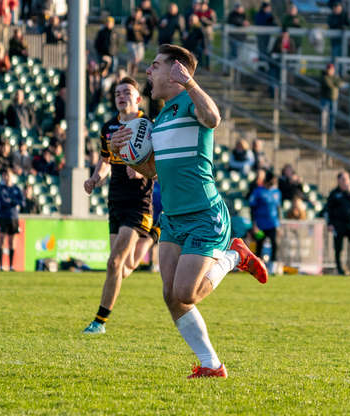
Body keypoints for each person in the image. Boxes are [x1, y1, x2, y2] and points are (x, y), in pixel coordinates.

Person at [110, 44, 268, 378]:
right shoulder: (162, 116)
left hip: (203, 214)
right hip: (173, 218)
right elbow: (154, 171)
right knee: (171, 295)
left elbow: (214, 118)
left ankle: (234, 257)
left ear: (176, 70)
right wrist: (123, 152)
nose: (148, 72)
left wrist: (192, 84)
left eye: (155, 65)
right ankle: (211, 364)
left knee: (186, 292)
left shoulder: (192, 102)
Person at [81, 77, 159, 334]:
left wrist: (142, 171)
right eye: (117, 92)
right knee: (123, 268)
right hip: (115, 200)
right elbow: (105, 161)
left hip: (139, 202)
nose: (121, 95)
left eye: (127, 91)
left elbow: (159, 167)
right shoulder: (108, 128)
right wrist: (95, 178)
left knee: (114, 263)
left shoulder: (148, 126)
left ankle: (99, 322)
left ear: (138, 98)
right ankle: (153, 236)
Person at [325, 171, 350, 276]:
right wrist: (329, 224)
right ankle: (339, 269)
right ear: (338, 180)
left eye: (347, 179)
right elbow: (328, 210)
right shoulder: (334, 194)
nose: (346, 181)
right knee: (338, 248)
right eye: (343, 179)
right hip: (338, 224)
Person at [249, 170, 281, 263]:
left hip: (272, 224)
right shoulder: (258, 191)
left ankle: (273, 265)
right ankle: (258, 265)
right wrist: (254, 224)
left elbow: (278, 208)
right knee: (259, 244)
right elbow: (252, 208)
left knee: (274, 243)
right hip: (260, 225)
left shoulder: (276, 192)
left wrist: (279, 224)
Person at [0, 169, 24, 272]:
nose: (7, 177)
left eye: (9, 175)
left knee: (12, 242)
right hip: (3, 216)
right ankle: (1, 265)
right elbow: (2, 201)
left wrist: (11, 201)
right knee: (2, 240)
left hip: (14, 217)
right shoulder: (0, 188)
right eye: (5, 175)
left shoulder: (16, 188)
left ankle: (11, 266)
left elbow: (22, 202)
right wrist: (13, 202)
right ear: (3, 176)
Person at [125, 8, 149, 76]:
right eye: (136, 13)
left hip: (140, 43)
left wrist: (142, 24)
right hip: (131, 42)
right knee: (135, 58)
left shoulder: (142, 21)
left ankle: (133, 75)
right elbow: (132, 28)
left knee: (138, 59)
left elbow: (146, 32)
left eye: (139, 14)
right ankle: (130, 74)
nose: (137, 15)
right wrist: (138, 23)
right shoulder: (129, 20)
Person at [319, 63, 341, 134]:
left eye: (331, 69)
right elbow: (329, 84)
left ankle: (331, 130)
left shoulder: (335, 77)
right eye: (329, 69)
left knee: (333, 115)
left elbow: (340, 83)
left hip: (334, 99)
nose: (330, 71)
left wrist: (334, 84)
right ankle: (322, 129)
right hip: (325, 98)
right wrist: (335, 84)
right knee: (324, 114)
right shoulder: (325, 77)